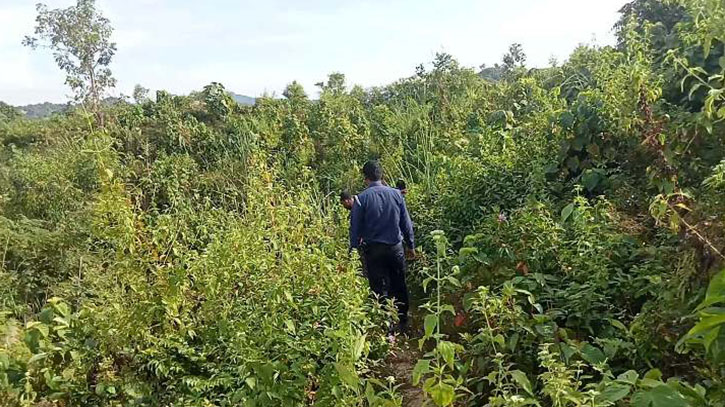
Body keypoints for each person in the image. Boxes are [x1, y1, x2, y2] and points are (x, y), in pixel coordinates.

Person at [349, 160, 415, 333]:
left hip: (374, 252)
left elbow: (354, 229)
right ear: (382, 175)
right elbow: (406, 223)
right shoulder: (396, 194)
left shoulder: (361, 200)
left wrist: (353, 252)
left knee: (379, 288)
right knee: (399, 284)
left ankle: (387, 328)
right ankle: (403, 322)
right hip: (395, 248)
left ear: (366, 179)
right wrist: (411, 245)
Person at [340, 190, 368, 278]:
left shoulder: (356, 209)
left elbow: (355, 230)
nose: (344, 206)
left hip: (366, 243)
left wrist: (353, 248)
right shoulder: (360, 203)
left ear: (347, 201)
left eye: (343, 204)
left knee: (364, 269)